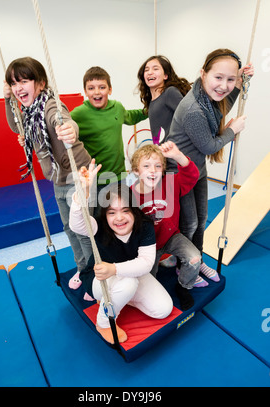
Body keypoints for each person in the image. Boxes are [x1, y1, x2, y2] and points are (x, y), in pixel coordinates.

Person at [165, 48, 254, 280]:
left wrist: (243, 82)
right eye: (218, 77)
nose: (224, 86)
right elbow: (209, 146)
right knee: (190, 222)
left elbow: (224, 102)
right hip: (180, 172)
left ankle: (199, 259)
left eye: (230, 79)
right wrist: (232, 131)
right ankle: (185, 262)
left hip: (197, 170)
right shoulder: (194, 108)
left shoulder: (208, 98)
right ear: (203, 74)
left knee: (201, 219)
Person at [3, 57, 93, 287]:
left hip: (77, 175)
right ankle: (83, 267)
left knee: (82, 228)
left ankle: (94, 273)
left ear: (41, 83)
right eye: (13, 84)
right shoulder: (30, 111)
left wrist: (69, 131)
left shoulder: (50, 105)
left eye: (23, 81)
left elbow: (61, 119)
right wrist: (7, 100)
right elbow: (17, 125)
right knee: (68, 227)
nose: (18, 88)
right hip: (58, 180)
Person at [69, 160, 173, 344]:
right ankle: (104, 323)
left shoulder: (145, 225)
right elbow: (77, 224)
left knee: (163, 309)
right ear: (104, 215)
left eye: (125, 211)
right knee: (128, 284)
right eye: (112, 212)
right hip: (99, 279)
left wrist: (114, 269)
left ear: (134, 211)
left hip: (129, 274)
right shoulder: (98, 226)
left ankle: (120, 299)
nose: (119, 218)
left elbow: (146, 263)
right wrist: (82, 193)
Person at [131, 141, 201, 310]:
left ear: (163, 170)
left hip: (171, 237)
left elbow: (192, 175)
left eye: (157, 166)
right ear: (136, 171)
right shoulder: (130, 195)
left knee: (195, 258)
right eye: (146, 166)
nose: (153, 170)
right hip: (149, 245)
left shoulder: (171, 183)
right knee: (148, 282)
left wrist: (177, 155)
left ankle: (183, 287)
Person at [70, 66, 147, 212]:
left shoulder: (117, 107)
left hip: (120, 176)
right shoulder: (79, 114)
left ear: (110, 90)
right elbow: (61, 127)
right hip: (97, 180)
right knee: (101, 219)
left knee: (123, 213)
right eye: (91, 88)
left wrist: (151, 108)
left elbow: (131, 116)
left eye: (102, 87)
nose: (97, 92)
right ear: (85, 92)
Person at [137, 55, 191, 144]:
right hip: (162, 154)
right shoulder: (152, 102)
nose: (150, 72)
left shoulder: (170, 93)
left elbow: (189, 119)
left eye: (155, 69)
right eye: (146, 70)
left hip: (177, 152)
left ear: (165, 76)